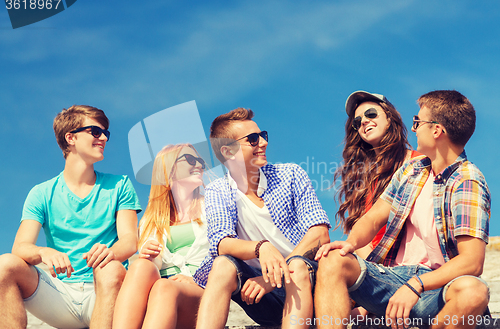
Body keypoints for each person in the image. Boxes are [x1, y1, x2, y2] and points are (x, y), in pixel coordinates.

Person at [314, 90, 491, 329]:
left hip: (436, 287)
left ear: (436, 130)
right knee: (333, 258)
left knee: (473, 291)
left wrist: (416, 284)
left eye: (418, 121)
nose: (414, 128)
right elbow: (374, 217)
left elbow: (472, 262)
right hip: (394, 279)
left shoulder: (467, 180)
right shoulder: (413, 170)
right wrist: (351, 243)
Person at [0, 105, 141, 329]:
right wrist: (43, 251)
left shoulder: (120, 185)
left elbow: (130, 241)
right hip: (60, 295)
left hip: (104, 289)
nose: (103, 137)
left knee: (111, 267)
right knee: (5, 264)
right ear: (71, 137)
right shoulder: (42, 193)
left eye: (106, 133)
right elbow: (20, 248)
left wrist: (110, 252)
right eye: (95, 131)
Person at [194, 108, 331, 329]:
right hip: (260, 293)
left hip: (308, 284)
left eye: (262, 135)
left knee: (298, 267)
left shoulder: (291, 174)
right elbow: (222, 243)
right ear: (228, 152)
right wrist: (261, 247)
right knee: (222, 265)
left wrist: (273, 277)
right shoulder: (217, 190)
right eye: (253, 139)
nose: (263, 143)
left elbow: (320, 234)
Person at [112, 144, 208, 329]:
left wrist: (198, 278)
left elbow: (224, 253)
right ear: (169, 170)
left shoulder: (212, 205)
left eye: (200, 161)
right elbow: (153, 267)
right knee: (140, 265)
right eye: (190, 159)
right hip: (159, 294)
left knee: (164, 287)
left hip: (198, 292)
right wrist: (150, 257)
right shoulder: (151, 217)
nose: (198, 165)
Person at [335, 91, 420, 258]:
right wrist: (373, 273)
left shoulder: (419, 162)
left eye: (371, 114)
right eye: (357, 121)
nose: (364, 121)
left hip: (415, 263)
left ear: (389, 118)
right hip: (377, 267)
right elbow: (358, 230)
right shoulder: (359, 179)